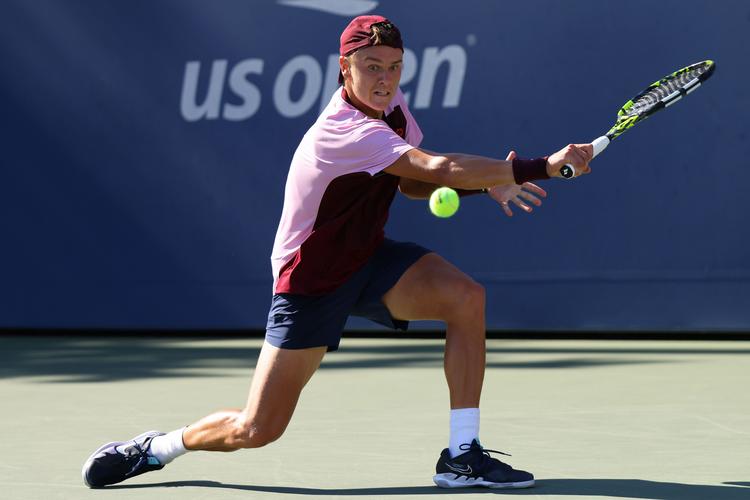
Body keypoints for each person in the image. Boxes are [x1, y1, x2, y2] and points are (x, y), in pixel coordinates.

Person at [81, 15, 593, 490]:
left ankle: (462, 455)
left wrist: (487, 187)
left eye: (394, 68)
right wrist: (541, 167)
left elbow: (413, 184)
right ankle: (158, 447)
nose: (385, 79)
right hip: (312, 281)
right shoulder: (344, 129)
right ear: (344, 68)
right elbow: (436, 170)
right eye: (372, 67)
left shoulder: (391, 110)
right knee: (257, 428)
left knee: (465, 298)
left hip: (367, 259)